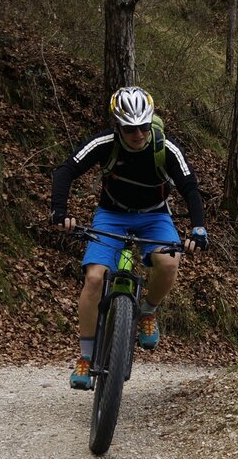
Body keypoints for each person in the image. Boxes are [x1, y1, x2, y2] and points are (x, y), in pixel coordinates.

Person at [50, 86, 208, 389]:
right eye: (129, 128)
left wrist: (198, 228)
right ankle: (85, 357)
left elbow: (190, 187)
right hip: (112, 214)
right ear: (118, 126)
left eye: (143, 126)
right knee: (95, 279)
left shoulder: (165, 148)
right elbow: (66, 171)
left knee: (169, 262)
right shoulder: (104, 143)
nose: (137, 134)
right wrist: (60, 211)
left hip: (155, 215)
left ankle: (148, 310)